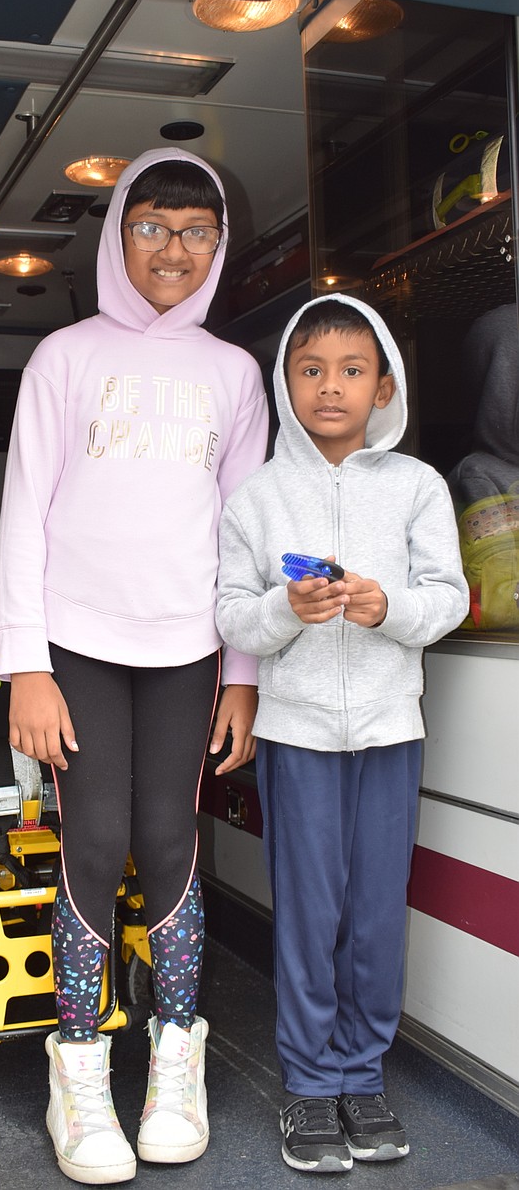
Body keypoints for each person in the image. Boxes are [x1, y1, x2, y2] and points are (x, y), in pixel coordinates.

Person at [0, 147, 268, 1185]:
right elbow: (24, 511)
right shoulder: (64, 357)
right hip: (75, 640)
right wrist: (25, 661)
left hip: (190, 644)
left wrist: (241, 669)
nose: (174, 248)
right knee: (96, 836)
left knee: (168, 837)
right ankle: (78, 1075)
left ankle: (175, 1062)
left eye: (196, 231)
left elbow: (244, 531)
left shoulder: (234, 374)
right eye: (153, 225)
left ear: (219, 245)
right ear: (117, 233)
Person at [215, 295, 468, 1174]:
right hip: (299, 738)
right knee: (310, 916)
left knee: (372, 917)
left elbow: (451, 598)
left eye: (352, 371)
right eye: (312, 369)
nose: (332, 387)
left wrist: (387, 607)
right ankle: (310, 1088)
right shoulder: (256, 497)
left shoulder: (418, 487)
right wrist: (287, 613)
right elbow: (231, 619)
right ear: (286, 384)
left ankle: (363, 1077)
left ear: (383, 385)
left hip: (392, 732)